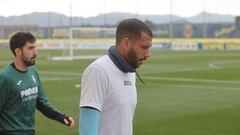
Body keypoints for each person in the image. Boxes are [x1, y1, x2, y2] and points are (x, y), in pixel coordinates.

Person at [79, 18, 152, 135]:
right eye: (144, 47)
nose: (148, 54)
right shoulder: (98, 70)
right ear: (126, 43)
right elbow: (87, 130)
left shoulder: (130, 71)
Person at [0, 32, 75, 135]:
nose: (35, 53)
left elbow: (41, 103)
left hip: (30, 131)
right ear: (18, 51)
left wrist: (61, 117)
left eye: (35, 47)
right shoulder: (5, 78)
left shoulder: (33, 72)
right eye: (30, 48)